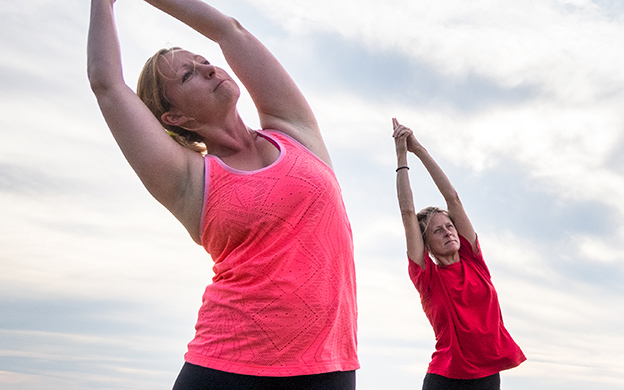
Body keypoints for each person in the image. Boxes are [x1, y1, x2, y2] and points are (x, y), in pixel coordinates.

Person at [87, 0, 356, 387]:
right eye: (188, 76)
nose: (208, 68)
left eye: (202, 60)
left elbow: (229, 31)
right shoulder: (188, 178)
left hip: (329, 365)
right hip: (227, 368)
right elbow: (107, 86)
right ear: (175, 118)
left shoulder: (294, 129)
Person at [392, 119, 526, 390]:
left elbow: (453, 198)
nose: (448, 232)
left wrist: (418, 148)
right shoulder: (427, 277)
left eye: (449, 226)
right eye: (438, 231)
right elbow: (407, 214)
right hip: (446, 378)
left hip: (487, 377)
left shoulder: (474, 260)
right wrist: (402, 155)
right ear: (426, 244)